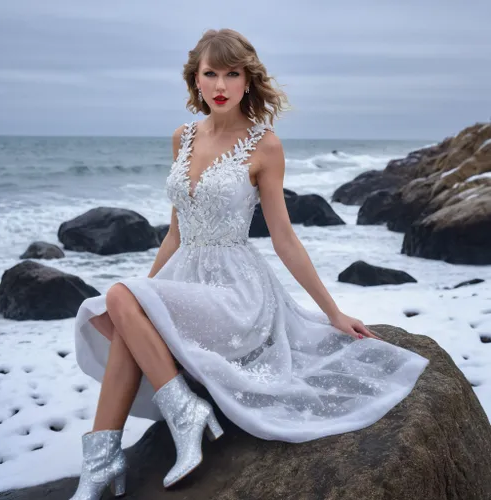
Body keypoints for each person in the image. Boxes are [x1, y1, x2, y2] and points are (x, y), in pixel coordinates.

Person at [71, 28, 430, 499]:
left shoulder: (265, 146)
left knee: (122, 296)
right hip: (188, 275)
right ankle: (101, 465)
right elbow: (176, 233)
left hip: (237, 292)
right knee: (123, 305)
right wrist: (140, 303)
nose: (221, 85)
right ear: (195, 81)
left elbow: (283, 238)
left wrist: (333, 312)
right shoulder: (182, 138)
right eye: (211, 73)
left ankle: (175, 421)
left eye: (232, 74)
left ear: (247, 80)